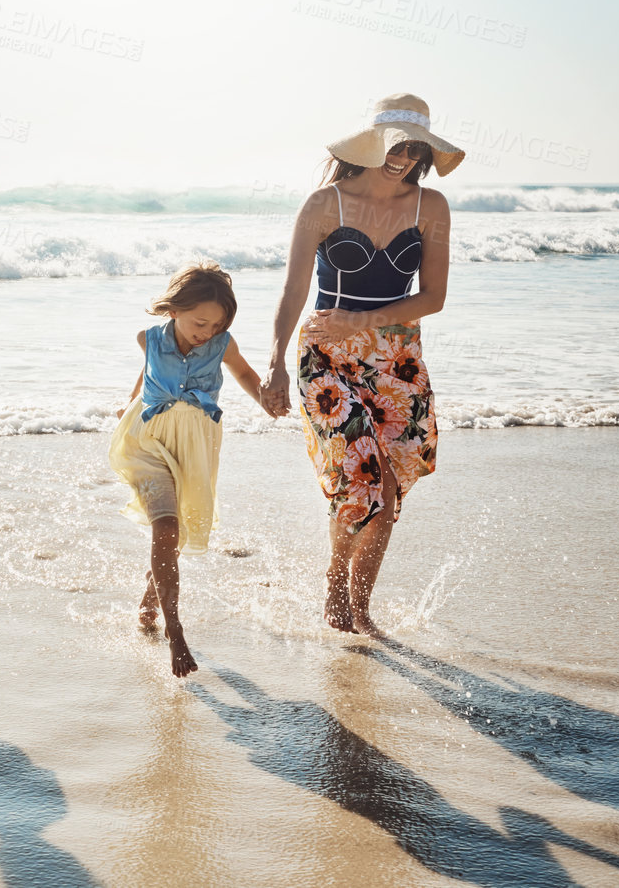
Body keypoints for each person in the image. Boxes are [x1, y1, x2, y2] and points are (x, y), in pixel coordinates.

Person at [261, 93, 464, 637]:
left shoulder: (432, 206)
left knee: (390, 487)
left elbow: (434, 297)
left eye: (415, 148)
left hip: (397, 360)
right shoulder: (325, 203)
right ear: (374, 143)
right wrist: (276, 362)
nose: (405, 157)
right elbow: (293, 290)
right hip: (327, 354)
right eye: (397, 145)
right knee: (361, 477)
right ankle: (336, 587)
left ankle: (360, 603)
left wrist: (363, 324)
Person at [110, 260, 275, 677]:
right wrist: (126, 403)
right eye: (201, 322)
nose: (207, 332)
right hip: (147, 440)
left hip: (196, 445)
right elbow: (146, 373)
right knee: (165, 528)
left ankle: (152, 592)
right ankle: (175, 631)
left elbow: (245, 375)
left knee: (179, 528)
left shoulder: (222, 344)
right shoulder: (149, 338)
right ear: (174, 310)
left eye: (216, 325)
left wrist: (268, 401)